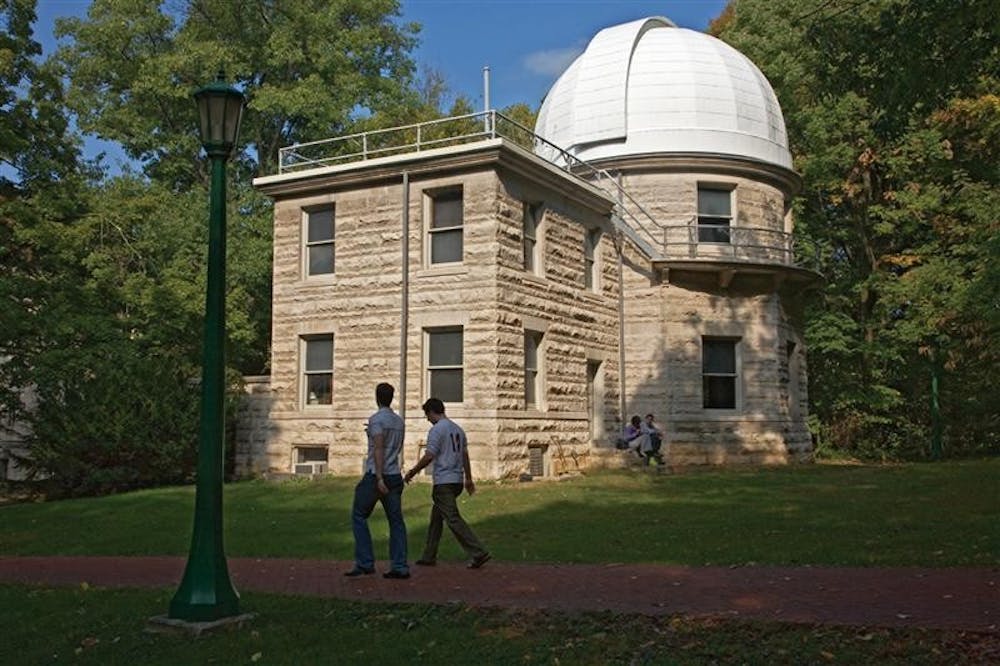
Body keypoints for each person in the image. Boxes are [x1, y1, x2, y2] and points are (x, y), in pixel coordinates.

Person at [404, 398, 491, 569]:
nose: (427, 419)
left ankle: (478, 552)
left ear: (431, 412)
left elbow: (429, 455)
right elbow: (464, 455)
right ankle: (429, 555)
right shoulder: (458, 429)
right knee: (436, 518)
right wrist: (468, 478)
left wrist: (412, 472)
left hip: (444, 481)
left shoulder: (437, 430)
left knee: (452, 518)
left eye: (427, 415)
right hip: (456, 480)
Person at [346, 382, 410, 579]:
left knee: (359, 514)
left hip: (377, 475)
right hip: (395, 473)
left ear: (377, 397)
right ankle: (399, 565)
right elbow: (394, 446)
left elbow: (379, 447)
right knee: (396, 521)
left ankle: (365, 562)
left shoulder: (376, 420)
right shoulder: (399, 421)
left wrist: (379, 477)